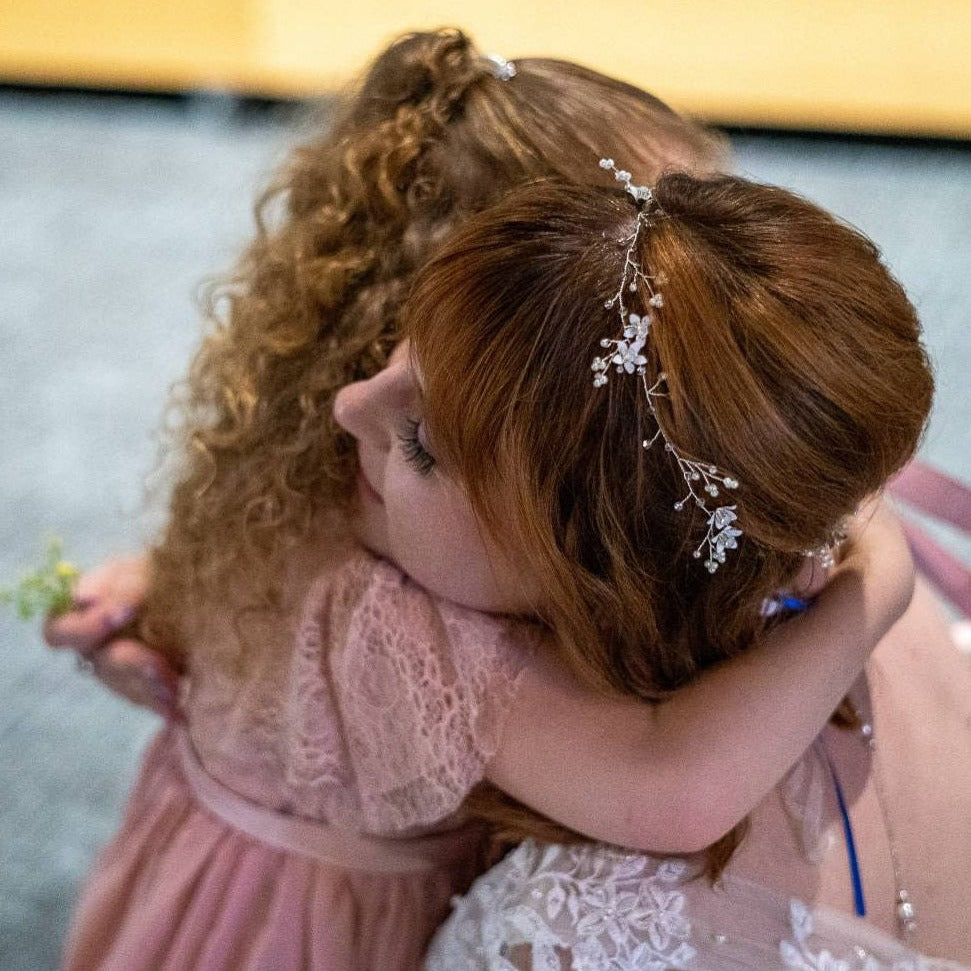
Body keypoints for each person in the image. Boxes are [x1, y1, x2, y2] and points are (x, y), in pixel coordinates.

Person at [43, 29, 928, 971]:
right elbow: (671, 789)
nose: (354, 408)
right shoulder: (392, 621)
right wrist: (874, 585)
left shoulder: (302, 448)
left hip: (196, 873)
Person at [396, 175, 969, 968]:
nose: (348, 409)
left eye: (420, 443)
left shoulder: (580, 934)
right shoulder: (864, 566)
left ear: (585, 558)